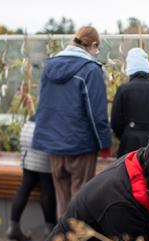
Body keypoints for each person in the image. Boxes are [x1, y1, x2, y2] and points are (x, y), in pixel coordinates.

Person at [32, 26, 112, 217]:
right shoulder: (90, 70)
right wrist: (105, 143)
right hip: (80, 145)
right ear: (93, 45)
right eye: (97, 48)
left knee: (63, 200)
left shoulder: (49, 67)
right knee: (80, 200)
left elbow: (44, 105)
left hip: (54, 147)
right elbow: (97, 113)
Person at [111, 47, 149, 157]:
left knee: (127, 173)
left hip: (128, 143)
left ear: (130, 69)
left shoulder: (123, 90)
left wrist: (126, 134)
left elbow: (116, 121)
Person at [7, 116, 57, 241]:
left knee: (27, 183)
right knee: (47, 186)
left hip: (28, 128)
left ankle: (13, 227)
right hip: (44, 130)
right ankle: (50, 231)